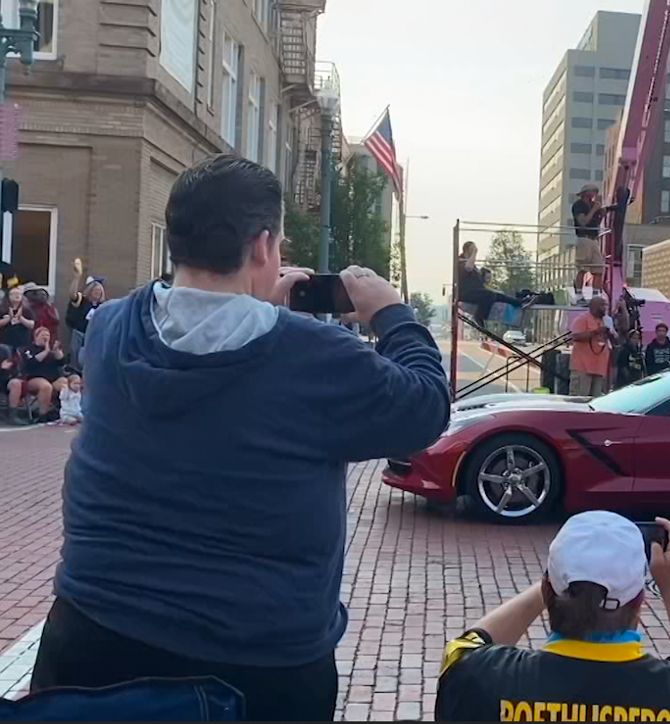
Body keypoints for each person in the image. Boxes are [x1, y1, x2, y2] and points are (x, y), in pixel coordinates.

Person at [29, 154, 452, 721]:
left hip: (92, 642)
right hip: (255, 667)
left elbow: (194, 333)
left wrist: (253, 301)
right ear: (262, 247)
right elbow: (425, 407)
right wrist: (392, 312)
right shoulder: (314, 355)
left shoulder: (112, 329)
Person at [434, 513, 670, 722]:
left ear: (547, 590)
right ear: (639, 601)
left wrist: (556, 581)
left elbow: (465, 648)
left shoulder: (481, 679)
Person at [456, 241, 529, 324]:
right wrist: (474, 254)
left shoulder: (472, 265)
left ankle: (519, 302)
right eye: (473, 249)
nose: (475, 251)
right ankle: (479, 316)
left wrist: (494, 290)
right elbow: (468, 268)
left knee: (498, 295)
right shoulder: (461, 262)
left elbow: (481, 284)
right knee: (489, 295)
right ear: (467, 250)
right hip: (467, 293)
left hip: (476, 291)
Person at [8, 326, 67, 423]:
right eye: (43, 335)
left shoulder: (51, 349)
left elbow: (61, 363)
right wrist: (46, 351)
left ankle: (64, 411)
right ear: (36, 336)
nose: (46, 337)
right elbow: (32, 362)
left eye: (47, 335)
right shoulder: (28, 349)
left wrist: (57, 352)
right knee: (45, 386)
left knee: (65, 383)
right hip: (34, 378)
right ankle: (42, 414)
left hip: (52, 378)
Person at [569, 296, 614, 398]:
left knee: (596, 401)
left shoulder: (606, 320)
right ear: (593, 307)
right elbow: (575, 336)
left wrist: (610, 334)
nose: (605, 308)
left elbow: (615, 340)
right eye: (602, 305)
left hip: (599, 368)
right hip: (583, 367)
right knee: (580, 398)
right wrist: (596, 332)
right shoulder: (582, 319)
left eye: (605, 305)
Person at [66, 257, 107, 369]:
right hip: (80, 334)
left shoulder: (103, 306)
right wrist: (76, 277)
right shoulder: (83, 301)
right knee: (77, 360)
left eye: (100, 291)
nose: (97, 292)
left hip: (95, 336)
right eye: (95, 290)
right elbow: (72, 295)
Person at [571, 184, 607, 300]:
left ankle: (595, 295)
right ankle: (579, 295)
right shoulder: (578, 205)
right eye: (593, 191)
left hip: (593, 239)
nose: (594, 194)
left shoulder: (592, 205)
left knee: (598, 269)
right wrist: (594, 209)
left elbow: (595, 223)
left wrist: (601, 214)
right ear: (586, 193)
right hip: (584, 238)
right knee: (582, 268)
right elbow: (583, 222)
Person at [1, 285, 34, 351]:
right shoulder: (2, 309)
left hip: (23, 342)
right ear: (9, 296)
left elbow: (32, 325)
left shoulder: (27, 309)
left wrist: (21, 318)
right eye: (14, 294)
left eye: (19, 294)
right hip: (5, 342)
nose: (17, 295)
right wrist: (9, 318)